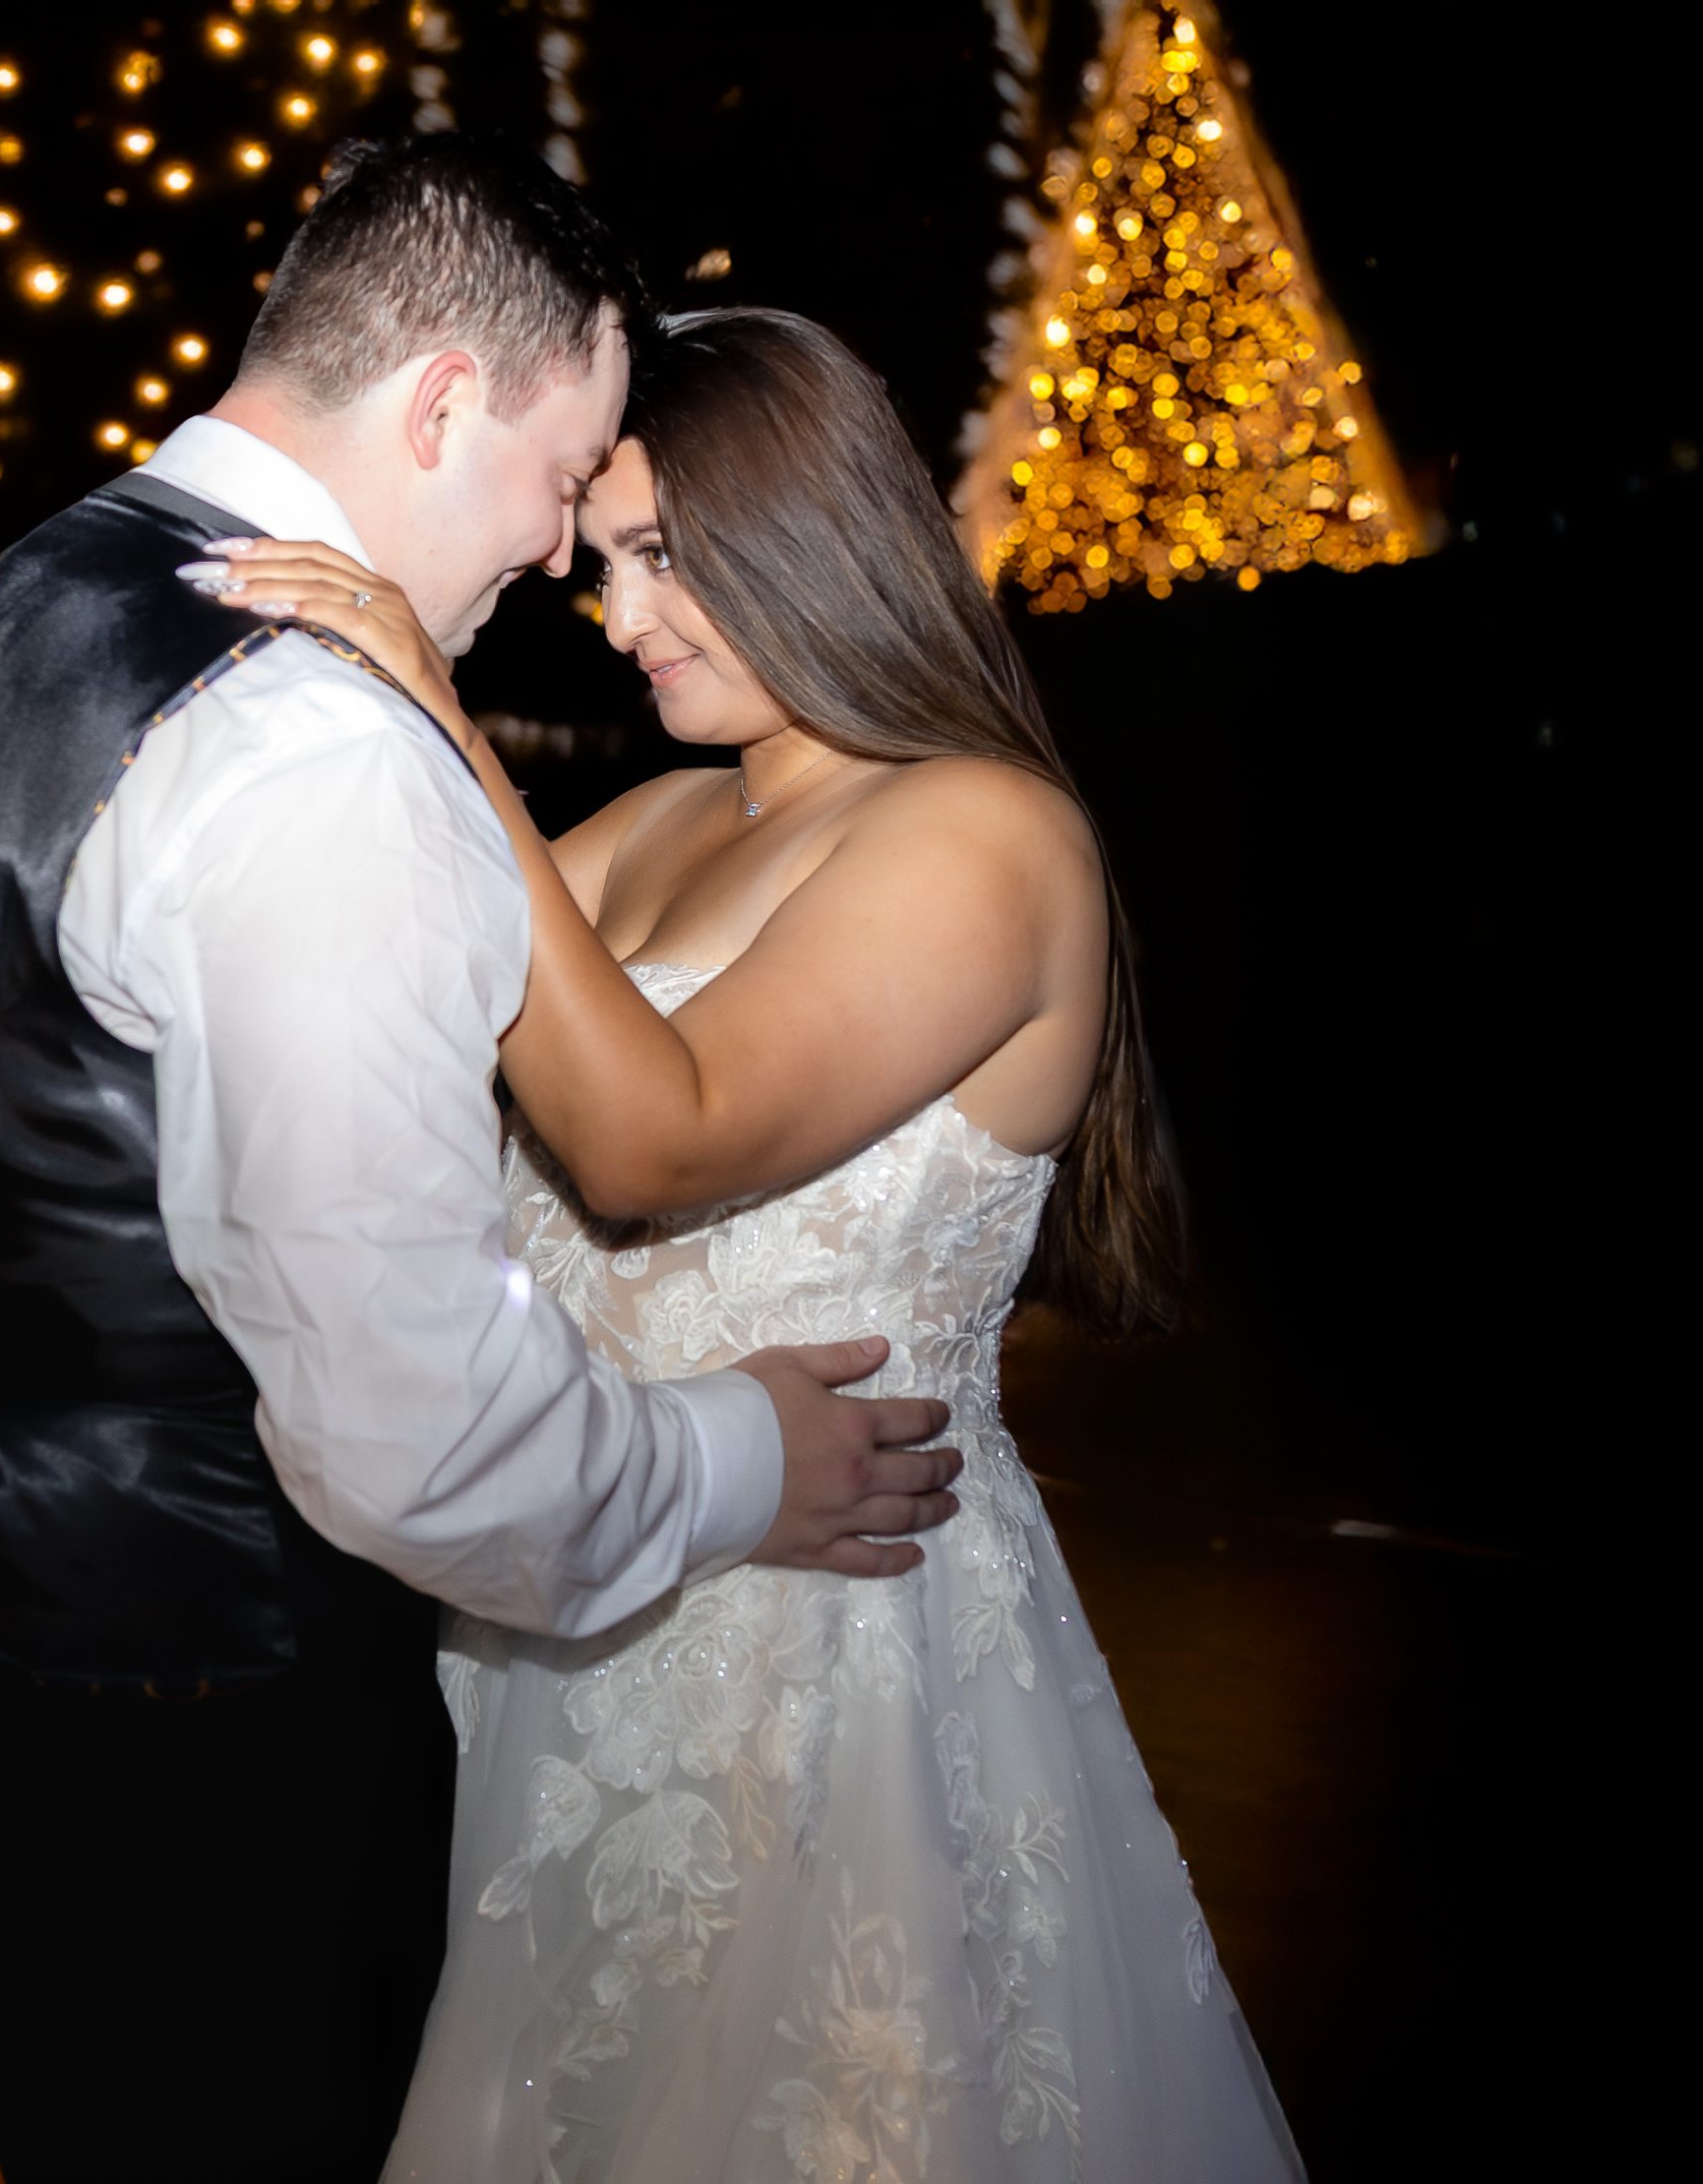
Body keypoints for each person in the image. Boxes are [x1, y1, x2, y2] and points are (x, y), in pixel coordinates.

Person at [0, 148, 965, 2184]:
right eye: (567, 470)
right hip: (178, 1718)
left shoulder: (17, 606)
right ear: (438, 409)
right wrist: (742, 1457)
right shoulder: (313, 749)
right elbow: (407, 1432)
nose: (565, 552)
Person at [187, 309, 1306, 2180]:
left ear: (811, 527)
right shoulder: (646, 829)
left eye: (666, 556)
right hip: (561, 1614)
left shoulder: (987, 835)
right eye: (605, 558)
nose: (621, 619)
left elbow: (651, 1137)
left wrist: (435, 721)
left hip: (829, 1667)